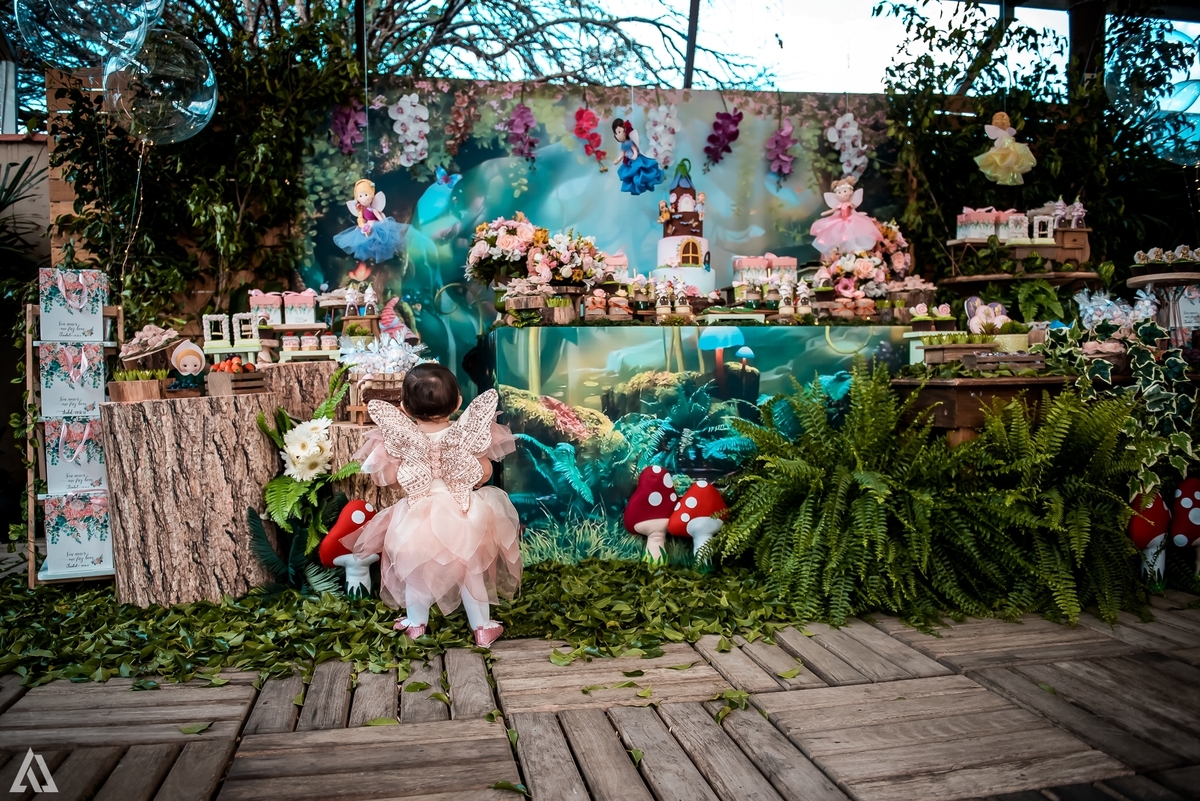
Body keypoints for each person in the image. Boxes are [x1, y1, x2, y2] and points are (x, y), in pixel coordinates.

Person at [343, 363, 521, 647]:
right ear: (458, 403)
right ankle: (482, 627)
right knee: (470, 571)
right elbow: (484, 472)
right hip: (464, 515)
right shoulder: (465, 434)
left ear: (404, 407)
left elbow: (390, 479)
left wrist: (414, 470)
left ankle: (416, 623)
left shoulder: (398, 437)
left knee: (417, 573)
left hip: (417, 516)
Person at [333, 179, 408, 263]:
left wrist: (384, 224)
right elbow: (363, 219)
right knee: (368, 243)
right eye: (360, 196)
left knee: (379, 241)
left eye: (366, 195)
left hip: (376, 226)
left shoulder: (373, 209)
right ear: (357, 198)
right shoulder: (361, 211)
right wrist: (361, 225)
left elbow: (379, 217)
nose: (364, 198)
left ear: (372, 196)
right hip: (367, 227)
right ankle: (372, 253)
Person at [808, 176, 881, 255]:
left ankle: (855, 250)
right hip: (841, 221)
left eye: (844, 191)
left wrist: (859, 215)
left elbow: (853, 210)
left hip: (851, 220)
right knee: (840, 237)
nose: (842, 195)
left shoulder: (849, 204)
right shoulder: (839, 205)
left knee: (853, 235)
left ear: (850, 192)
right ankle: (844, 252)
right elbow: (833, 210)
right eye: (839, 192)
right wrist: (825, 213)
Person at [611, 119, 665, 196]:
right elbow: (622, 153)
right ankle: (637, 187)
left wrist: (635, 155)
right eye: (616, 133)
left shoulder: (630, 142)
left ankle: (647, 181)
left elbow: (634, 149)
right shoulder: (623, 144)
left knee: (641, 171)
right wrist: (618, 159)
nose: (618, 136)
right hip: (629, 161)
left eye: (619, 132)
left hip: (635, 159)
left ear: (625, 130)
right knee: (631, 175)